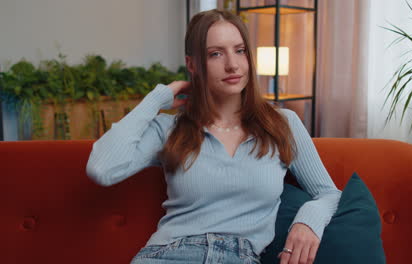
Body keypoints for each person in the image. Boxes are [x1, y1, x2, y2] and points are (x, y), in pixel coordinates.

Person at [86, 9, 341, 264]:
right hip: (167, 255)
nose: (232, 64)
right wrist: (155, 100)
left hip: (240, 256)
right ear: (192, 65)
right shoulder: (169, 128)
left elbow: (329, 193)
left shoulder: (282, 124)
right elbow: (101, 169)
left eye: (240, 50)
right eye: (215, 54)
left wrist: (308, 222)